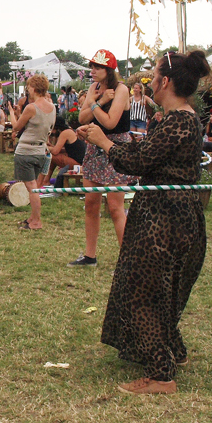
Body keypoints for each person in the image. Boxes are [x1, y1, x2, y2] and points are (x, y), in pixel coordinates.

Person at [77, 49, 211, 395]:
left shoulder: (180, 121)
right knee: (159, 289)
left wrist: (104, 142)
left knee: (144, 292)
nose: (150, 81)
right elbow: (145, 154)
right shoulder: (173, 119)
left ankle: (161, 374)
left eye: (154, 76)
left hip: (166, 220)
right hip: (164, 213)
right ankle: (174, 350)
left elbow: (139, 163)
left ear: (166, 82)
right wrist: (105, 141)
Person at [70, 49, 136, 267]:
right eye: (92, 66)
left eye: (97, 67)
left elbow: (109, 122)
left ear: (109, 70)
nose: (92, 71)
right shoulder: (94, 88)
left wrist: (94, 104)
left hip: (115, 148)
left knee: (115, 207)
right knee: (91, 203)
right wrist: (97, 100)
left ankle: (127, 261)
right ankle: (90, 255)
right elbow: (82, 117)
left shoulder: (122, 90)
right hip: (94, 148)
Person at [11, 74, 57, 230]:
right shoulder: (52, 108)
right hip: (40, 151)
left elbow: (16, 127)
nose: (28, 90)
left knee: (32, 189)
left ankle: (36, 221)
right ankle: (32, 218)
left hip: (26, 151)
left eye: (29, 87)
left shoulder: (31, 107)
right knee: (34, 186)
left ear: (35, 88)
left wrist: (12, 112)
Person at [45, 116, 86, 187]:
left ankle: (45, 181)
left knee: (52, 156)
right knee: (54, 156)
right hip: (80, 162)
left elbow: (55, 151)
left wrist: (44, 147)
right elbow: (61, 149)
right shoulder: (69, 131)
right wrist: (50, 147)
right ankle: (45, 181)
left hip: (79, 165)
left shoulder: (65, 133)